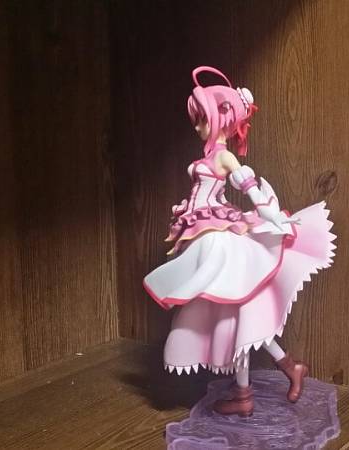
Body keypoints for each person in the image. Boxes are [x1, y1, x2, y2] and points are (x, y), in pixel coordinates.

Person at [143, 66, 336, 417]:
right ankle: (278, 375)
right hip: (208, 233)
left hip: (219, 242)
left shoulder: (223, 156)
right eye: (197, 120)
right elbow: (213, 195)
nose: (198, 126)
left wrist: (275, 218)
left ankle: (259, 386)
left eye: (202, 119)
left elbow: (249, 188)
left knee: (237, 316)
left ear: (221, 118)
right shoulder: (209, 157)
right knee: (232, 317)